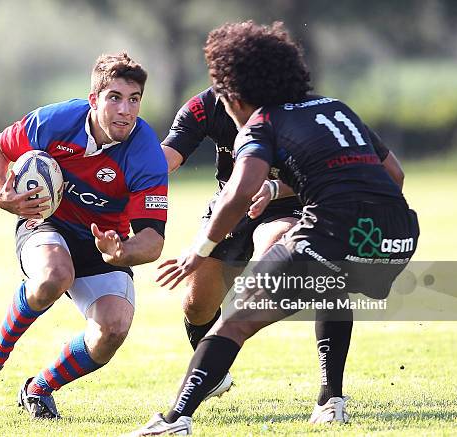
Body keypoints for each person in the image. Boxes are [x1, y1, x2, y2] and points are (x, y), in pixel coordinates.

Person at [129, 21, 419, 435]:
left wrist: (199, 248)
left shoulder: (263, 122)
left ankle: (174, 421)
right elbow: (395, 174)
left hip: (326, 228)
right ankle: (331, 401)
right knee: (330, 286)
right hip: (399, 234)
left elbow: (239, 191)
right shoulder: (335, 108)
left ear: (236, 94)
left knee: (234, 320)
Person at [161, 86, 405, 409]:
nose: (226, 96)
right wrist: (122, 159)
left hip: (293, 205)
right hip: (233, 204)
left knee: (275, 274)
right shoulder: (207, 104)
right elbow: (169, 157)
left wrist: (276, 188)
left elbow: (381, 172)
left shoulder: (311, 112)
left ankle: (331, 395)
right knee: (196, 304)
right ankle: (213, 376)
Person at [0, 52, 168, 419]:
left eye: (134, 99)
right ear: (94, 100)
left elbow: (153, 240)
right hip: (46, 222)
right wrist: (0, 193)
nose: (126, 110)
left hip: (104, 243)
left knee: (113, 331)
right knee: (55, 276)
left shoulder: (146, 152)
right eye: (115, 98)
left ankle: (38, 389)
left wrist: (122, 252)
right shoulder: (54, 122)